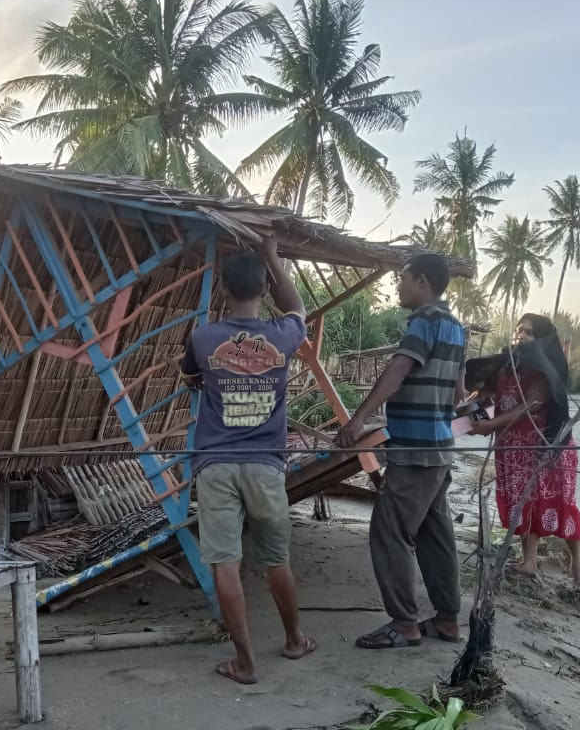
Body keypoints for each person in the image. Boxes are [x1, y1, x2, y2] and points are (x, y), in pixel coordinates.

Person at [178, 236, 315, 686]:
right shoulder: (283, 336)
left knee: (226, 564)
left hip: (215, 465)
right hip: (265, 465)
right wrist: (275, 256)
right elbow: (297, 308)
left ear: (222, 290)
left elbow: (191, 376)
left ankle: (245, 663)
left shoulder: (203, 337)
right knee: (277, 559)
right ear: (263, 290)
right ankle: (295, 640)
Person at [335, 253, 465, 649]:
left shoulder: (424, 321)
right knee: (435, 532)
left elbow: (398, 370)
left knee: (389, 531)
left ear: (422, 282)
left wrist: (358, 420)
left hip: (417, 449)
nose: (399, 285)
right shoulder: (457, 328)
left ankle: (404, 623)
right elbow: (459, 392)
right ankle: (446, 619)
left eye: (403, 278)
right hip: (440, 446)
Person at [467, 314, 580, 584]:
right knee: (523, 503)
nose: (521, 336)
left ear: (541, 338)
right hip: (513, 448)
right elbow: (489, 393)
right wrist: (472, 405)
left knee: (558, 506)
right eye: (519, 331)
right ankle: (529, 561)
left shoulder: (543, 368)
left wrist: (492, 423)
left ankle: (577, 565)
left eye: (528, 333)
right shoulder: (509, 363)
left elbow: (532, 403)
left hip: (542, 447)